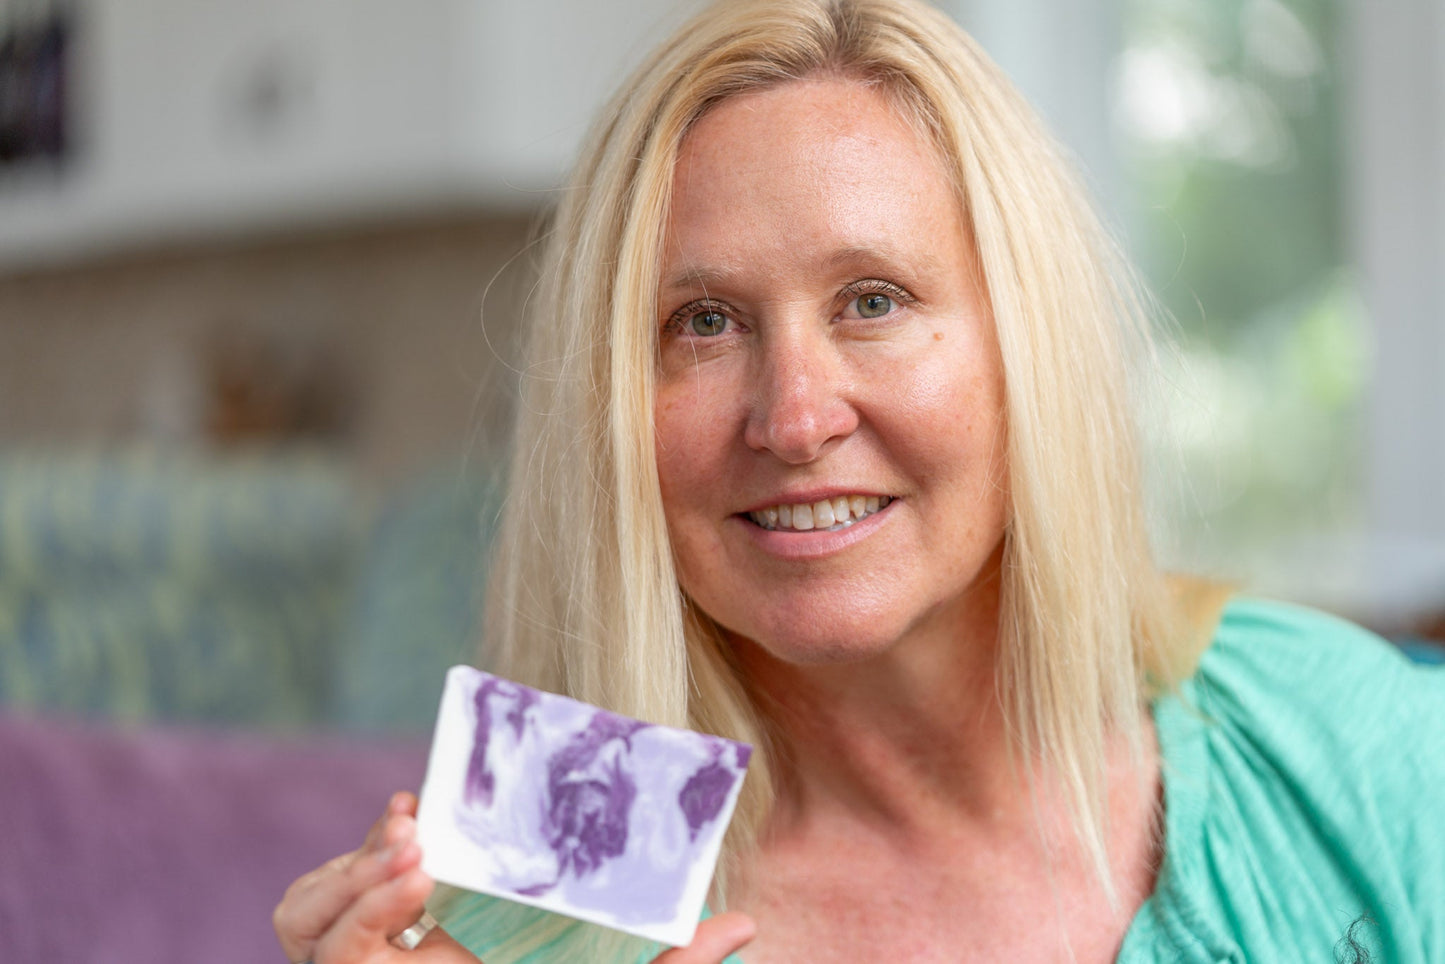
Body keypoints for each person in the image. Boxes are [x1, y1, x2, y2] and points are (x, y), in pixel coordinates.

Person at [273, 0, 1445, 961]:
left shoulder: (1350, 743)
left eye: (871, 301)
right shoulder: (534, 867)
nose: (791, 417)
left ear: (1023, 348)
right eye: (703, 322)